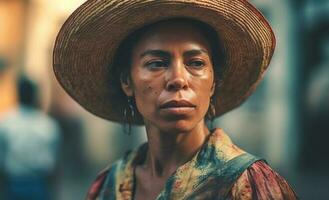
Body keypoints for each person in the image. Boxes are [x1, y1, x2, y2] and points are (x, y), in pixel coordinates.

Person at [53, 0, 297, 199]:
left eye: (196, 63)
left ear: (213, 82)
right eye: (156, 64)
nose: (178, 79)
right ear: (127, 82)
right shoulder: (110, 186)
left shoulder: (248, 186)